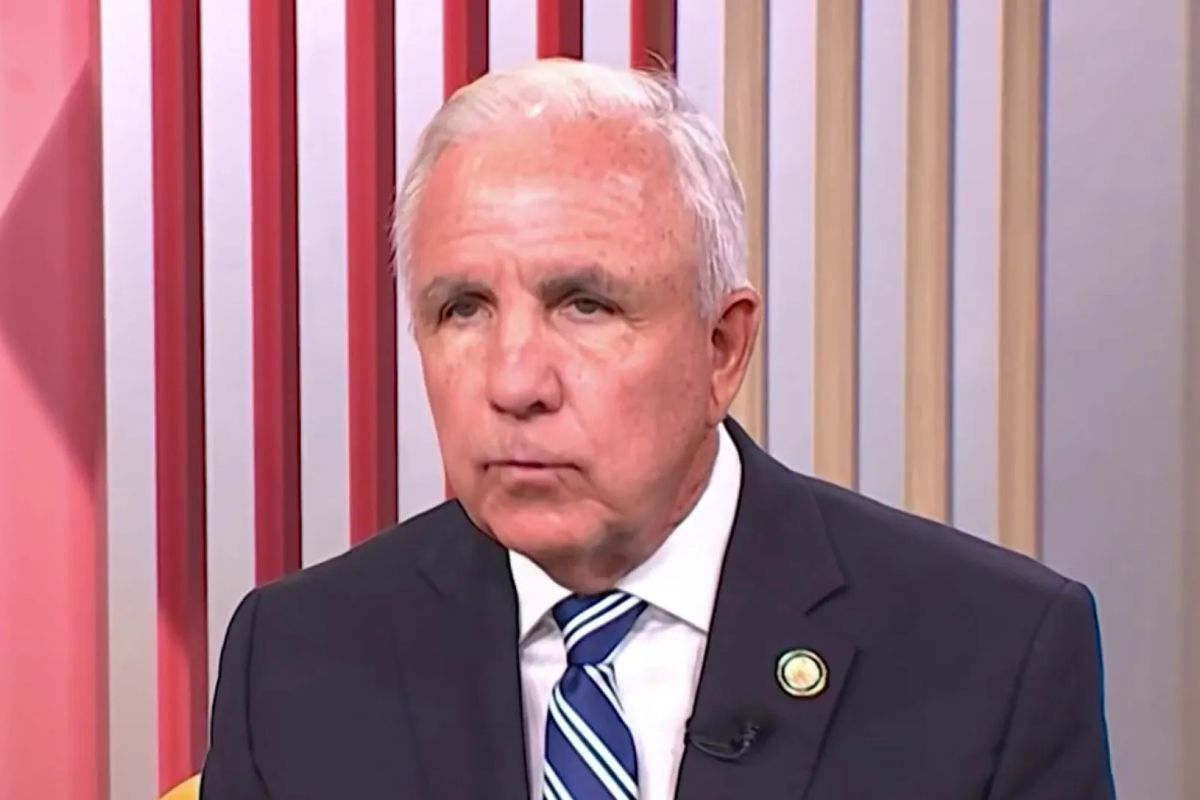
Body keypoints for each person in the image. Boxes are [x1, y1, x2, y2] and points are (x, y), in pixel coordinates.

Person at [201, 59, 1115, 799]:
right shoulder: (295, 661)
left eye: (586, 304)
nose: (515, 383)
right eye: (463, 310)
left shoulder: (995, 658)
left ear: (723, 347)